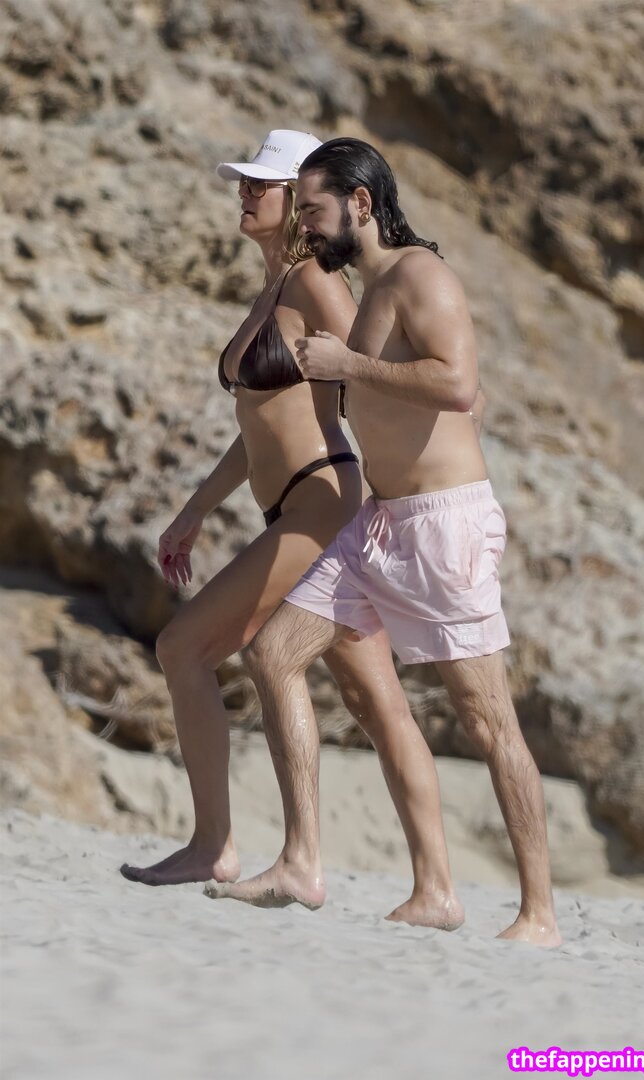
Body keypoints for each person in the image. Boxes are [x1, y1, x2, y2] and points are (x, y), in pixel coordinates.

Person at [209, 137, 561, 948]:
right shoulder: (369, 292)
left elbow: (459, 385)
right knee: (272, 655)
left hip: (442, 524)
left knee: (487, 720)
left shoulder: (419, 276)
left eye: (315, 209)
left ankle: (539, 914)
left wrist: (350, 367)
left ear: (360, 204)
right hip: (379, 526)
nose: (305, 223)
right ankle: (304, 862)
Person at [120, 129, 464, 931]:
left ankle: (224, 847)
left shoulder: (315, 282)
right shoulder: (272, 290)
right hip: (295, 504)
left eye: (260, 186)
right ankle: (437, 890)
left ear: (299, 203)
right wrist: (195, 510)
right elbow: (261, 424)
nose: (244, 195)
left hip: (324, 500)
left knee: (185, 647)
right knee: (375, 701)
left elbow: (370, 376)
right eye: (242, 183)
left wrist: (408, 497)